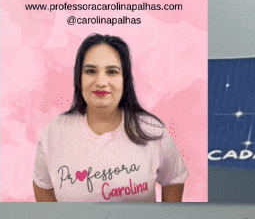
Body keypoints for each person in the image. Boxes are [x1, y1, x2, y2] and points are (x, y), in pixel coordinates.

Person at [32, 34, 188, 202]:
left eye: (112, 72)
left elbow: (174, 179)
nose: (101, 82)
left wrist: (163, 217)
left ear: (124, 79)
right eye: (91, 71)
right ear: (79, 77)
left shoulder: (152, 130)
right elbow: (42, 185)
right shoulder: (54, 132)